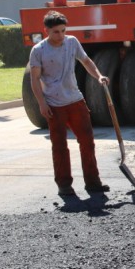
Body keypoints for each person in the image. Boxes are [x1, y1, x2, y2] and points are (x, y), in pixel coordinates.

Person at [29, 11, 110, 197]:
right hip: (54, 105)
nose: (61, 36)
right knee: (59, 145)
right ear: (46, 31)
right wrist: (42, 103)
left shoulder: (72, 42)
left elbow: (86, 61)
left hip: (75, 100)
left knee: (87, 141)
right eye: (56, 32)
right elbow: (35, 79)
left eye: (63, 31)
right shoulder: (39, 50)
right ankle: (64, 185)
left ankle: (93, 183)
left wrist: (99, 76)